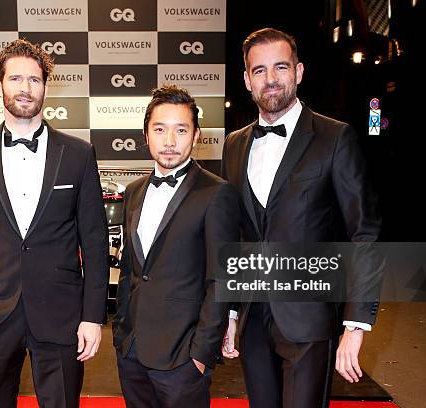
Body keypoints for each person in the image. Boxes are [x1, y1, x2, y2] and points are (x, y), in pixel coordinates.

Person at [0, 39, 108, 408]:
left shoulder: (78, 153)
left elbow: (94, 240)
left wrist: (93, 316)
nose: (25, 88)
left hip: (61, 313)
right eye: (15, 78)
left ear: (46, 86)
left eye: (34, 79)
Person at [221, 28, 382, 408]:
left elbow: (365, 232)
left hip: (309, 318)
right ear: (246, 80)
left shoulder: (334, 137)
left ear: (299, 71)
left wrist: (355, 324)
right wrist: (229, 311)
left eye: (280, 66)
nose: (270, 78)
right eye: (259, 70)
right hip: (253, 319)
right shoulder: (234, 144)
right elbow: (235, 235)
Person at [112, 85, 241, 408]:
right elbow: (132, 270)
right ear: (146, 134)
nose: (170, 142)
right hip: (132, 351)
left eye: (181, 130)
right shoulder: (135, 192)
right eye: (160, 129)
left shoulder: (216, 193)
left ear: (196, 135)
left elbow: (222, 280)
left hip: (183, 360)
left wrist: (200, 355)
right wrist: (121, 334)